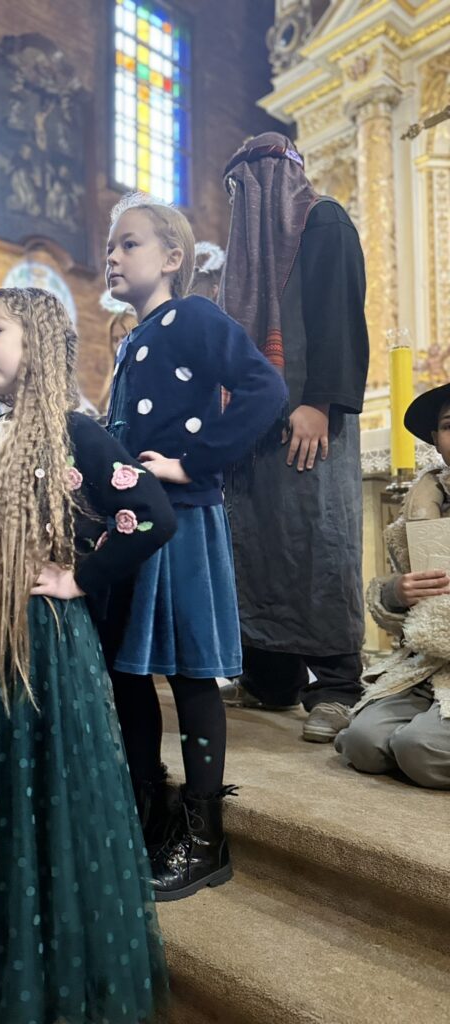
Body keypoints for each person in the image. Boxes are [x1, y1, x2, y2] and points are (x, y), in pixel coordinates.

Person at [0, 286, 174, 1024]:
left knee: (44, 789)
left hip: (42, 640)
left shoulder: (75, 434)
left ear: (39, 342)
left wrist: (79, 577)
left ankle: (51, 965)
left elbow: (151, 515)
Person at [104, 192, 287, 901]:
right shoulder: (131, 340)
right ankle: (148, 809)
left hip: (179, 519)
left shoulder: (195, 317)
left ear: (172, 258)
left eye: (129, 244)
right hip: (132, 526)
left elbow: (264, 389)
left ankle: (205, 836)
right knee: (126, 671)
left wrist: (194, 461)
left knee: (187, 674)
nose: (113, 256)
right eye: (111, 245)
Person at [219, 132, 370, 743]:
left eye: (254, 181)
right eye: (237, 189)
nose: (246, 200)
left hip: (311, 418)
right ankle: (270, 679)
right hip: (257, 427)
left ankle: (336, 686)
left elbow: (341, 317)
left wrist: (318, 403)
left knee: (318, 543)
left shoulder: (323, 221)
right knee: (257, 546)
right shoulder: (247, 261)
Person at [335, 383, 450, 788]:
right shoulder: (422, 507)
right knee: (363, 743)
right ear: (435, 439)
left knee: (418, 748)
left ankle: (417, 744)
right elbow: (402, 605)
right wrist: (397, 592)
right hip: (431, 665)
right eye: (449, 426)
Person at [99, 309, 137, 414]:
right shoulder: (112, 380)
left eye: (124, 336)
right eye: (115, 339)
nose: (120, 343)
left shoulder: (143, 378)